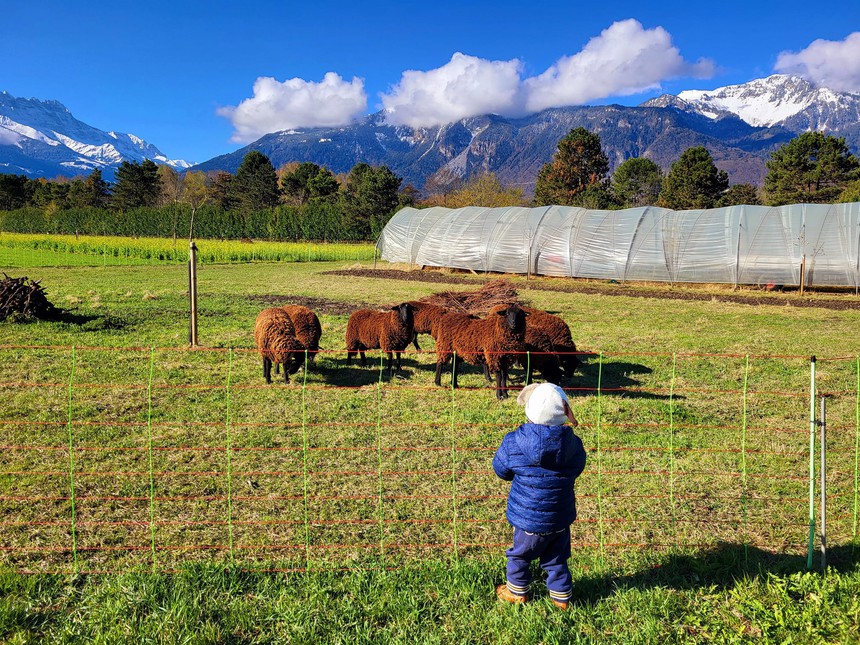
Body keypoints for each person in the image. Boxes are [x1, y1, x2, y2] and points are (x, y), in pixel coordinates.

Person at [492, 382, 587, 609]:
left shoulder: (513, 441)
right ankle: (561, 598)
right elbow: (578, 468)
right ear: (564, 411)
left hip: (527, 519)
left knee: (520, 555)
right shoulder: (573, 445)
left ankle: (517, 591)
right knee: (557, 558)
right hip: (559, 517)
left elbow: (501, 470)